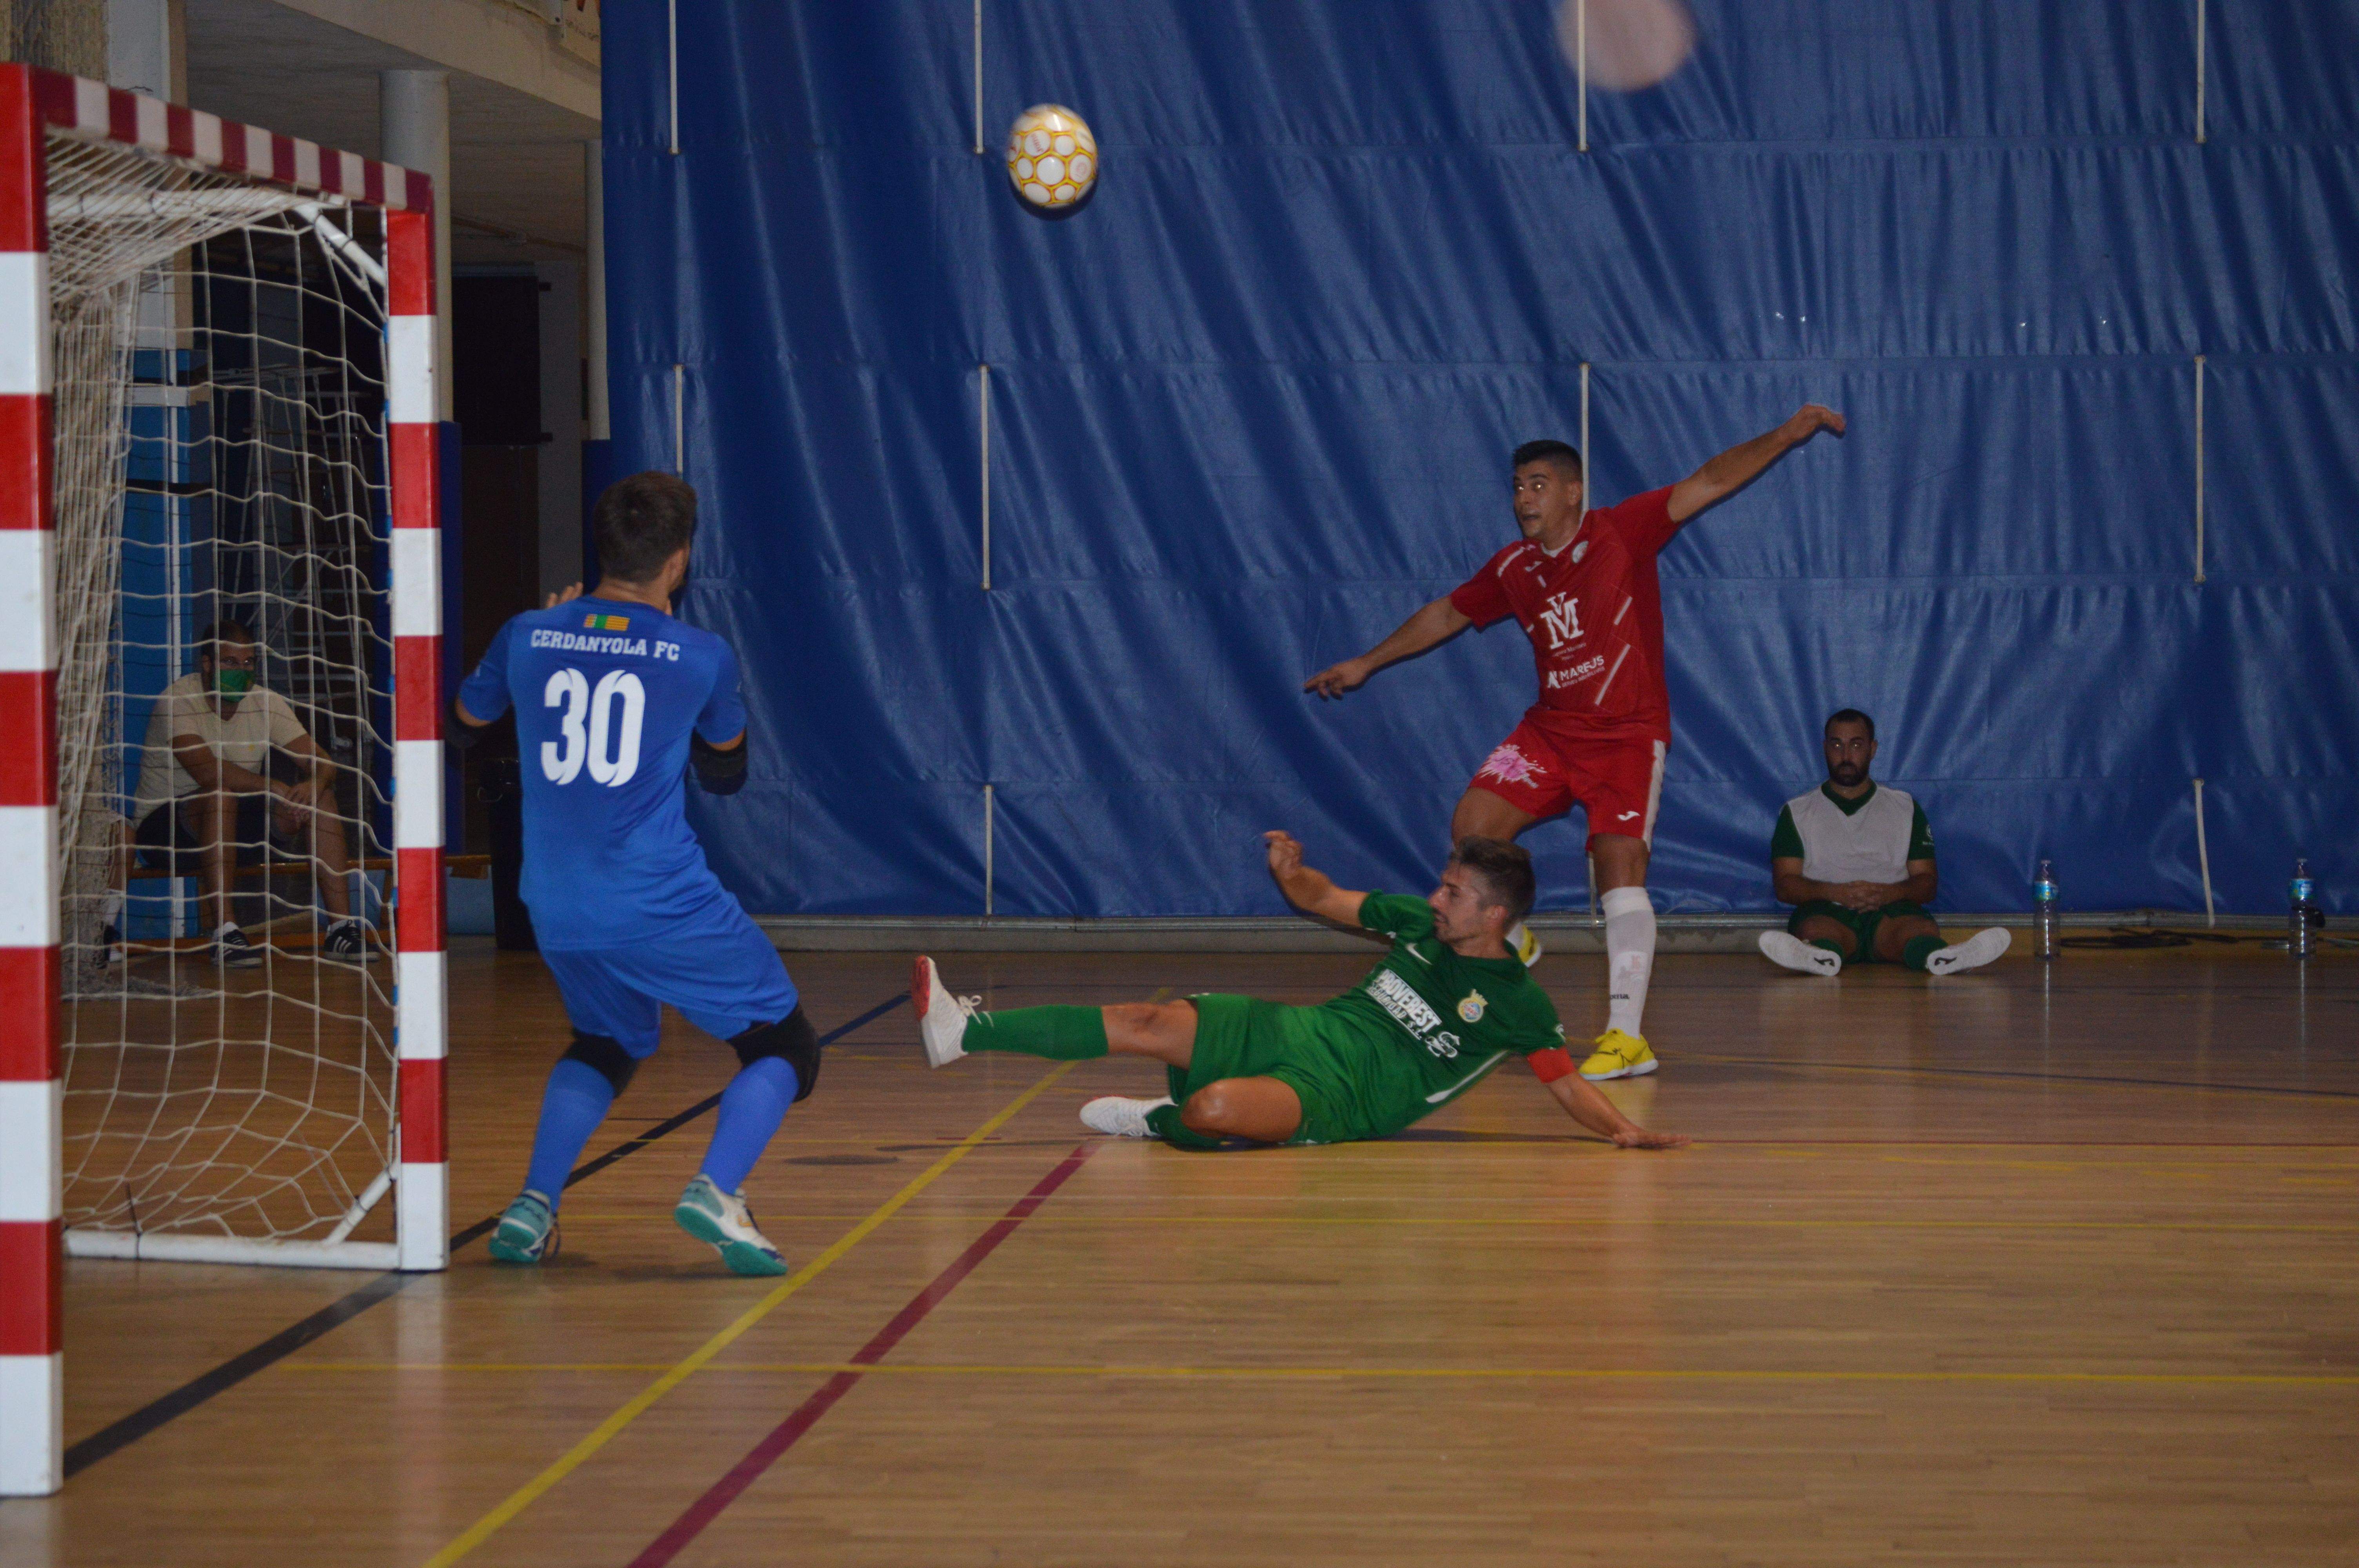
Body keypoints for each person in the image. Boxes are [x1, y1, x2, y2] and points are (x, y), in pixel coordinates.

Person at [1304, 409, 1846, 1082]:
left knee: (1621, 868)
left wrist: (1787, 435)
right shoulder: (1515, 567)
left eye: (1536, 485)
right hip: (1551, 729)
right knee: (1473, 829)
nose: (1523, 499)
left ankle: (1626, 1039)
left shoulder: (1621, 532)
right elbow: (1447, 611)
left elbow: (1708, 480)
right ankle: (1512, 937)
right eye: (1516, 487)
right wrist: (1367, 661)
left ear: (1571, 491)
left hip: (1625, 734)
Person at [453, 472, 820, 1276]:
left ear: (603, 546)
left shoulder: (527, 631)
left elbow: (468, 719)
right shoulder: (700, 655)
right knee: (786, 1044)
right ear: (680, 559)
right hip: (657, 897)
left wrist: (557, 636)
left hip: (553, 902)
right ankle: (718, 1190)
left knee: (608, 1038)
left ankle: (533, 1204)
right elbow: (727, 766)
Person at [914, 832, 1685, 1153]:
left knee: (1209, 1111)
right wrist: (1291, 874)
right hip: (1294, 1031)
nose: (1435, 897)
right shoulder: (1417, 923)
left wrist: (1624, 1131)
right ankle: (961, 1033)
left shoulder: (1517, 1001)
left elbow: (1566, 1083)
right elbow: (1328, 897)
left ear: (1493, 916)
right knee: (1142, 1018)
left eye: (1452, 892)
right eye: (1441, 885)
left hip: (1342, 1100)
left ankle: (1159, 1121)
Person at [130, 619, 369, 967]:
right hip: (164, 833)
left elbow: (322, 761)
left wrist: (315, 783)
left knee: (321, 798)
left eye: (248, 664)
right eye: (229, 663)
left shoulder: (266, 703)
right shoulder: (178, 700)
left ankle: (341, 930)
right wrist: (272, 787)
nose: (240, 672)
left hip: (234, 826)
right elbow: (208, 771)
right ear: (208, 664)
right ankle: (225, 933)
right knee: (221, 794)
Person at [1758, 708, 2009, 977]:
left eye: (1856, 745)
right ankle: (1818, 956)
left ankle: (1944, 957)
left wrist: (1887, 894)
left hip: (1892, 912)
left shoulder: (1905, 807)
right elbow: (1785, 885)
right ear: (1825, 749)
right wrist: (1836, 893)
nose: (1846, 756)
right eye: (1837, 745)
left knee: (1920, 931)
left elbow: (1927, 883)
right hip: (1828, 911)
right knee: (1816, 930)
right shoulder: (1797, 811)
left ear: (1872, 749)